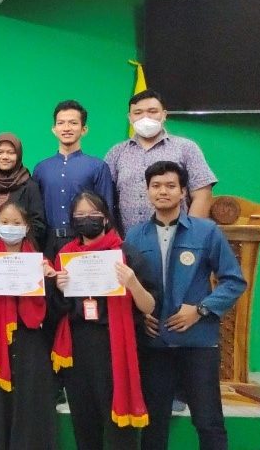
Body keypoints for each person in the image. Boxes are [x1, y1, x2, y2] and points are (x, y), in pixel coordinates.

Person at [128, 161, 246, 450]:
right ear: (147, 191)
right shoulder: (134, 236)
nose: (163, 191)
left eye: (171, 186)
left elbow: (234, 281)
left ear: (183, 192)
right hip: (155, 346)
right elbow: (127, 288)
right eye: (156, 186)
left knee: (208, 422)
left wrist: (200, 310)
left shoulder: (206, 232)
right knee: (153, 426)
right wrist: (139, 317)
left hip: (197, 344)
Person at [49, 191, 157, 450]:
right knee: (84, 422)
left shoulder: (126, 254)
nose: (87, 219)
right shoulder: (65, 255)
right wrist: (59, 289)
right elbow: (56, 311)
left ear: (106, 218)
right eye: (80, 215)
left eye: (93, 214)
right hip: (77, 349)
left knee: (119, 427)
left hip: (114, 346)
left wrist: (132, 283)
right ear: (73, 221)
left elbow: (149, 306)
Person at [0, 201, 58, 450]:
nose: (10, 227)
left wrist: (50, 282)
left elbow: (54, 314)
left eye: (17, 223)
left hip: (31, 347)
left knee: (30, 414)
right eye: (5, 222)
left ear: (27, 227)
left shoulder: (41, 263)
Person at [105, 90, 217, 232]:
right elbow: (105, 198)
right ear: (130, 117)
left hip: (177, 238)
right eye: (138, 113)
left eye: (152, 111)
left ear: (164, 115)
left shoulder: (186, 148)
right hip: (128, 239)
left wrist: (190, 235)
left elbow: (202, 194)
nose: (145, 117)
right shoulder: (116, 152)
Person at [32, 100, 116, 257]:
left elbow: (107, 211)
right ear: (54, 129)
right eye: (61, 123)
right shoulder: (41, 168)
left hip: (85, 242)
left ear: (84, 129)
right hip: (47, 243)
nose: (66, 128)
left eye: (73, 123)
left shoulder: (98, 167)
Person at [0, 132, 47, 257]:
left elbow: (38, 224)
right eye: (0, 152)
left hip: (21, 254)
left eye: (11, 153)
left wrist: (15, 240)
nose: (5, 157)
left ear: (18, 155)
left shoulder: (30, 186)